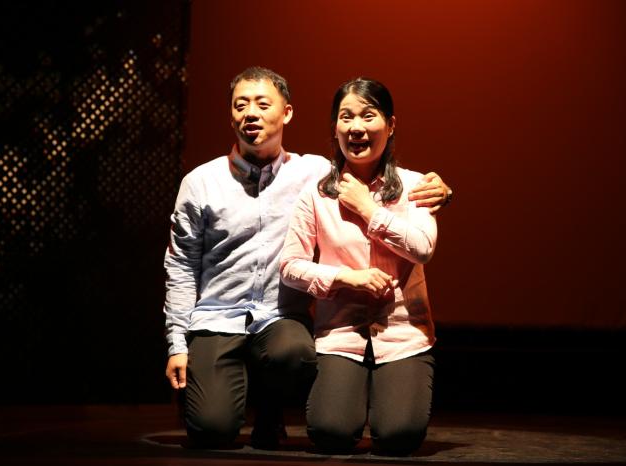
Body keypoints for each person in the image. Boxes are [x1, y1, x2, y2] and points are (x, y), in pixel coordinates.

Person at [163, 67, 451, 450]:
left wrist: (438, 192)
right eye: (240, 105)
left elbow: (419, 239)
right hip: (227, 318)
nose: (251, 113)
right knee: (214, 431)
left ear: (287, 113)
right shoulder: (212, 182)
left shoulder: (338, 176)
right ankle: (227, 397)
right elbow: (182, 265)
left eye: (262, 104)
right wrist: (177, 343)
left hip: (313, 323)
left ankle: (270, 408)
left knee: (304, 361)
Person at [280, 77, 438, 455]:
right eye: (346, 117)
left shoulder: (417, 186)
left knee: (399, 436)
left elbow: (423, 248)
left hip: (404, 335)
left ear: (391, 125)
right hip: (341, 334)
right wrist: (344, 277)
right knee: (330, 432)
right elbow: (290, 265)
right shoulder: (316, 194)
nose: (356, 127)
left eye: (368, 116)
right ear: (334, 127)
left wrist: (369, 209)